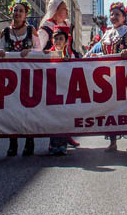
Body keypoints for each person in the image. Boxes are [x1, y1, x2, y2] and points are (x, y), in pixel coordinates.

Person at [89, 2, 127, 152]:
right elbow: (103, 52)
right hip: (110, 79)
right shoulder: (107, 34)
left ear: (124, 17)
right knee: (111, 110)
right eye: (112, 14)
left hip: (126, 77)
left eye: (117, 14)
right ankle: (112, 142)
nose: (113, 17)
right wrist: (96, 56)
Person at [0, 0, 41, 156]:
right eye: (15, 10)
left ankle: (29, 141)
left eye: (21, 11)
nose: (17, 13)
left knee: (28, 110)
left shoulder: (31, 31)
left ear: (26, 14)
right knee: (11, 110)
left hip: (28, 76)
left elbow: (39, 49)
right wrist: (0, 52)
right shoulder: (5, 32)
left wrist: (30, 51)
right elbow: (1, 49)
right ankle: (13, 142)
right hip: (10, 77)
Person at [46, 26, 73, 155]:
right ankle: (53, 144)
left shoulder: (70, 55)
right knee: (53, 117)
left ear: (66, 41)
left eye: (61, 39)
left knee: (64, 117)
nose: (58, 41)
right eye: (56, 39)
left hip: (65, 90)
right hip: (52, 90)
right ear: (52, 40)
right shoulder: (46, 54)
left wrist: (69, 61)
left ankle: (63, 144)